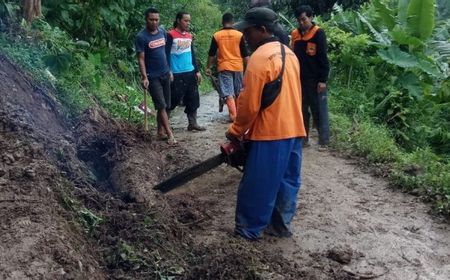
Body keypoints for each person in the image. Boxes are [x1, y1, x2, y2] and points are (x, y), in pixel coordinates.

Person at [226, 7, 306, 240]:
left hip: (271, 132)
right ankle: (279, 226)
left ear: (262, 30)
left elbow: (249, 105)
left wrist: (235, 132)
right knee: (286, 181)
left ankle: (248, 231)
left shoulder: (259, 59)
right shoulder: (290, 54)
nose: (246, 38)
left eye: (248, 33)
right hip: (295, 130)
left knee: (258, 183)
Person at [291, 5, 330, 150]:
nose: (301, 23)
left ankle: (323, 141)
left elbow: (323, 58)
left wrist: (322, 80)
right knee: (301, 110)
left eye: (304, 19)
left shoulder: (318, 33)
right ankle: (304, 138)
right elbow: (291, 55)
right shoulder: (295, 34)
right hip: (299, 79)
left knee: (318, 110)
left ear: (311, 17)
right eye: (299, 20)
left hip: (315, 79)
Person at [135, 7, 176, 144]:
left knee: (167, 105)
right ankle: (170, 134)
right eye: (151, 19)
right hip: (152, 77)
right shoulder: (141, 37)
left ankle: (160, 132)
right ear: (146, 19)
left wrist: (169, 70)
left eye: (156, 19)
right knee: (161, 106)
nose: (154, 22)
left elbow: (165, 53)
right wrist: (144, 77)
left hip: (165, 73)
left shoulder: (163, 32)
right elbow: (141, 58)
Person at [166, 12, 206, 131]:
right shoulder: (170, 35)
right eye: (185, 20)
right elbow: (166, 54)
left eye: (189, 21)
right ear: (178, 20)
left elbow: (192, 54)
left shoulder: (189, 36)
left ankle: (192, 123)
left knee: (193, 98)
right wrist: (169, 70)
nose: (188, 23)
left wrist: (197, 71)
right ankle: (164, 125)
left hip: (190, 71)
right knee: (173, 98)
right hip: (176, 73)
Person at [206, 13, 249, 122]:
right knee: (238, 91)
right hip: (238, 67)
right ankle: (238, 116)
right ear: (233, 22)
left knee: (228, 93)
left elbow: (211, 53)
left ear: (222, 21)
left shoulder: (217, 35)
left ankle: (234, 116)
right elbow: (245, 54)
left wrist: (208, 67)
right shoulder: (239, 35)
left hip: (224, 67)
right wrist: (249, 68)